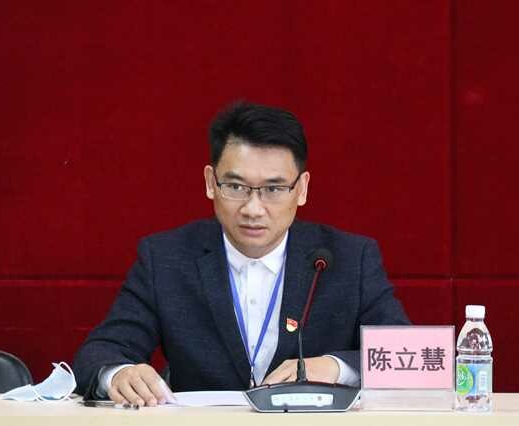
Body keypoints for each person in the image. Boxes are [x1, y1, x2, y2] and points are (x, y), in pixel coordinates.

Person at [73, 101, 409, 406]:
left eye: (274, 189)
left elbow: (406, 355)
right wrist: (118, 374)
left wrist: (335, 367)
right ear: (211, 182)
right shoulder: (166, 259)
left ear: (302, 189)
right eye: (236, 187)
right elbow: (99, 352)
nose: (253, 209)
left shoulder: (350, 259)